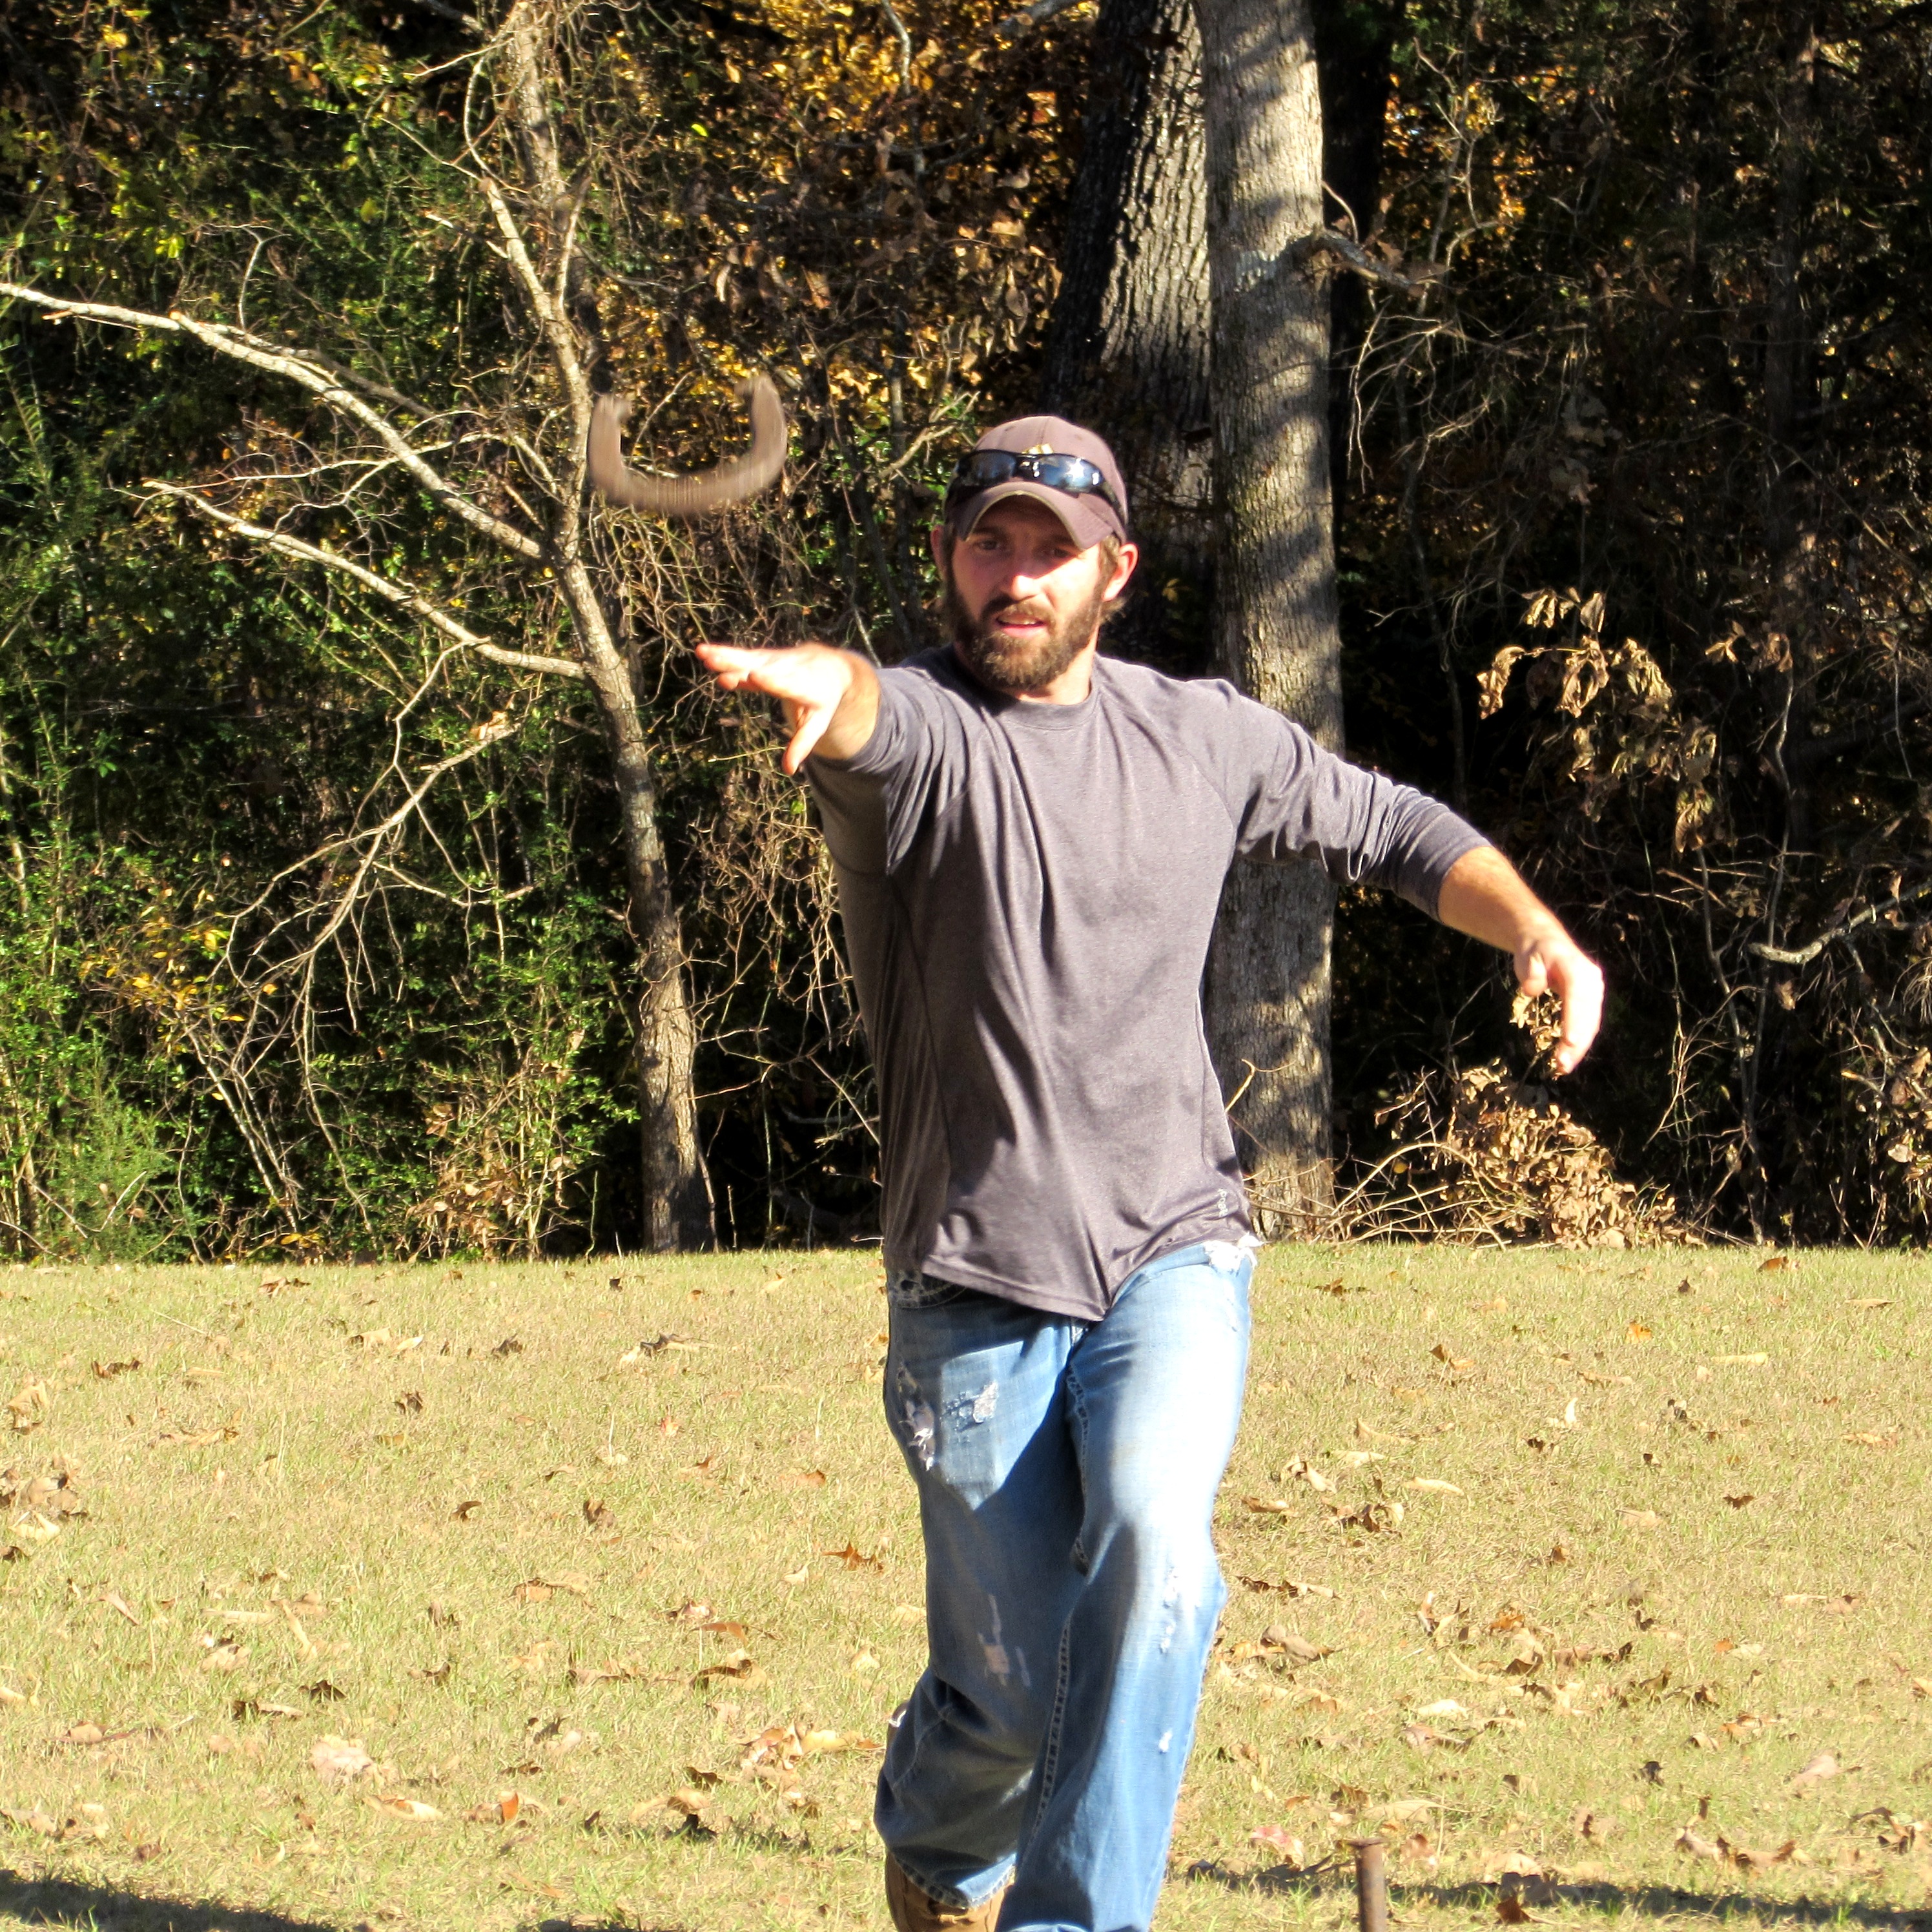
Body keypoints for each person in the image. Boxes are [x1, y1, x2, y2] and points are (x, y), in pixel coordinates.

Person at [695, 415, 1603, 1932]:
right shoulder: (929, 740)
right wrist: (823, 680)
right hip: (970, 1278)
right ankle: (938, 1849)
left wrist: (1531, 929)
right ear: (948, 560)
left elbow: (1387, 823)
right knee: (1003, 1695)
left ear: (1112, 573)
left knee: (1158, 1554)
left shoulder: (1200, 738)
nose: (1015, 577)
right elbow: (862, 708)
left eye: (1049, 552)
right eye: (988, 544)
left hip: (1170, 1250)